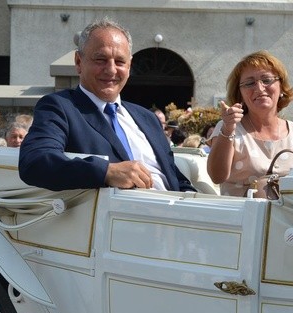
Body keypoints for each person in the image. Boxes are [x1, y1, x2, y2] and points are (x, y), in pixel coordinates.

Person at [19, 18, 193, 192]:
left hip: (174, 214)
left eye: (119, 62)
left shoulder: (148, 118)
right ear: (79, 63)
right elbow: (35, 162)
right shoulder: (60, 108)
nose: (111, 70)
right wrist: (106, 172)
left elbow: (175, 179)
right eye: (101, 59)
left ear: (129, 65)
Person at [207, 50, 293, 197]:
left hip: (289, 216)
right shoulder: (228, 127)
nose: (259, 88)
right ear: (240, 94)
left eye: (266, 80)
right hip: (242, 216)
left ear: (282, 87)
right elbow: (217, 177)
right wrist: (227, 130)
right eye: (250, 83)